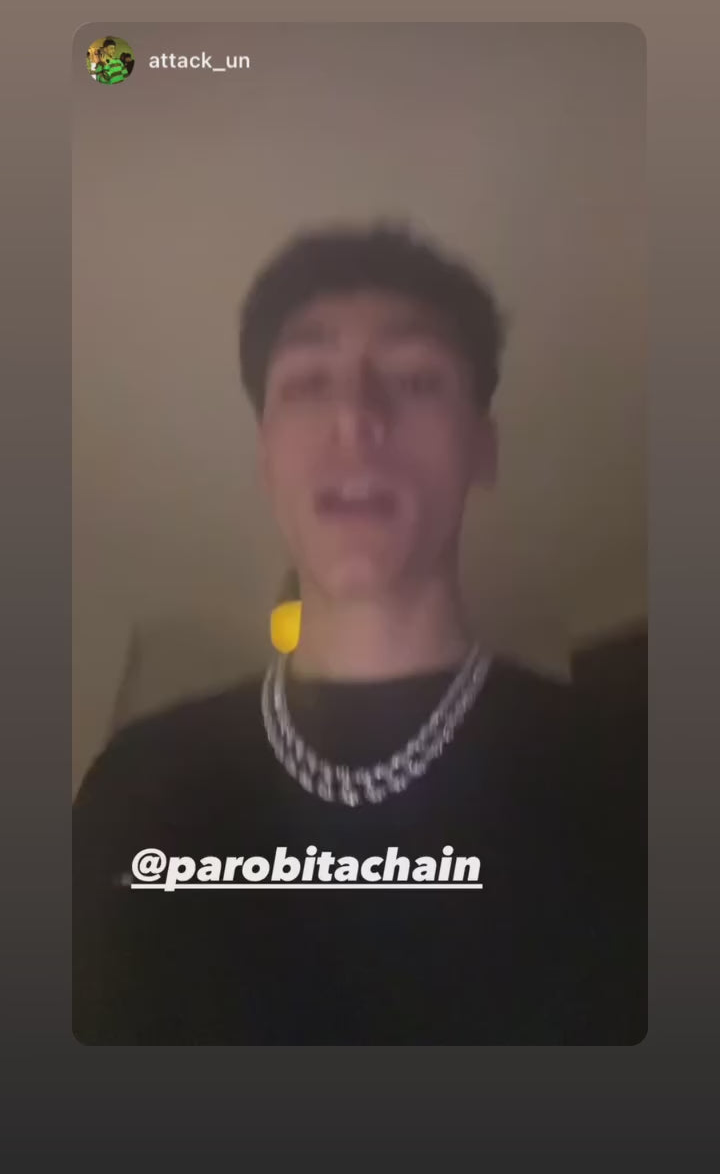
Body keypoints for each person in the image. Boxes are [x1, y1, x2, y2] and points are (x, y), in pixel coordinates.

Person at [73, 223, 646, 1045]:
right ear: (266, 457)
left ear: (481, 448)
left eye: (415, 379)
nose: (355, 416)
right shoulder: (134, 788)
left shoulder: (628, 777)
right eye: (308, 383)